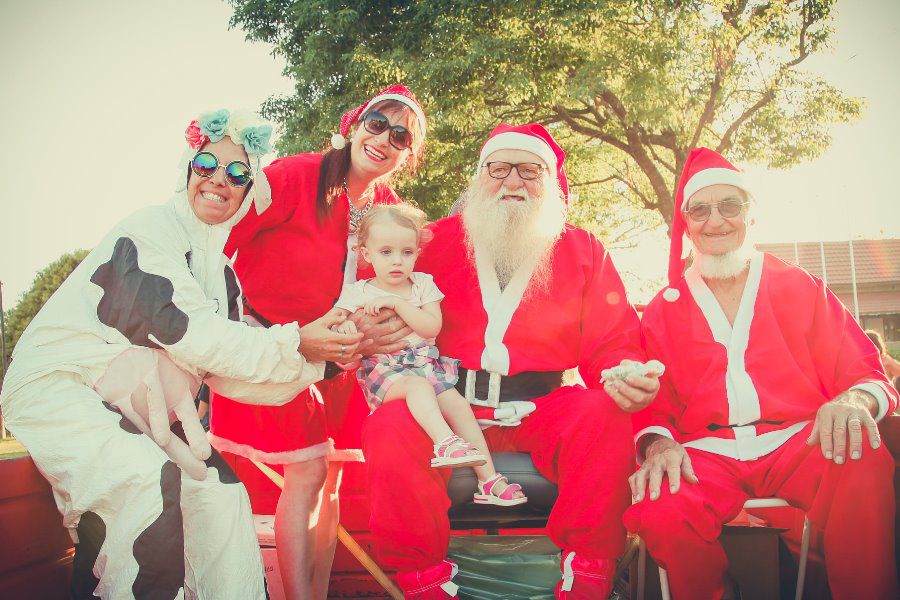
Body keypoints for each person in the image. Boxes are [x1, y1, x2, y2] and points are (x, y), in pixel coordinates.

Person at [0, 109, 340, 599]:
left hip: (137, 406)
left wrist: (327, 357)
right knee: (145, 483)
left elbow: (236, 377)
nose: (220, 179)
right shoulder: (149, 232)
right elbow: (196, 336)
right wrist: (298, 341)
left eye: (238, 173)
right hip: (58, 385)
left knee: (221, 497)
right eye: (207, 164)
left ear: (249, 191)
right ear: (188, 169)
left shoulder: (223, 275)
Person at [359, 123, 659, 599]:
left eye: (528, 170)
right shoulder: (434, 241)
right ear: (479, 179)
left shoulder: (582, 249)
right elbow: (376, 283)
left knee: (601, 414)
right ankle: (423, 586)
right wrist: (374, 325)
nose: (512, 182)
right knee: (390, 427)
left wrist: (622, 371)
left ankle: (586, 578)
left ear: (552, 182)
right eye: (498, 169)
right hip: (447, 399)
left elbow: (614, 339)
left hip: (543, 405)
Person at [625, 147, 899, 600]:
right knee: (660, 503)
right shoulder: (661, 310)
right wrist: (658, 444)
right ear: (686, 224)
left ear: (751, 216)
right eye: (700, 210)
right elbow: (654, 403)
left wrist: (854, 400)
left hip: (800, 440)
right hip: (704, 454)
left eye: (730, 206)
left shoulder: (800, 287)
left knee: (863, 458)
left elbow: (863, 369)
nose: (715, 221)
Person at [209, 85, 427, 599]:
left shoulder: (389, 209)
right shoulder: (294, 175)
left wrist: (394, 324)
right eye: (378, 123)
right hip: (275, 346)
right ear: (356, 123)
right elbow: (219, 243)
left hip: (344, 366)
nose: (384, 140)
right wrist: (220, 337)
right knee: (307, 471)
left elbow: (406, 282)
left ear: (409, 154)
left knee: (329, 481)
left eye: (401, 136)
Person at [335, 204, 527, 505]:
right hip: (384, 371)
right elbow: (335, 322)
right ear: (366, 254)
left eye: (407, 252)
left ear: (416, 253)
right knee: (418, 387)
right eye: (386, 252)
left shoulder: (423, 285)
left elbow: (431, 326)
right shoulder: (358, 291)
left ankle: (488, 480)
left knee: (459, 406)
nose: (397, 261)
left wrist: (397, 304)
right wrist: (346, 324)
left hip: (425, 364)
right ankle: (445, 443)